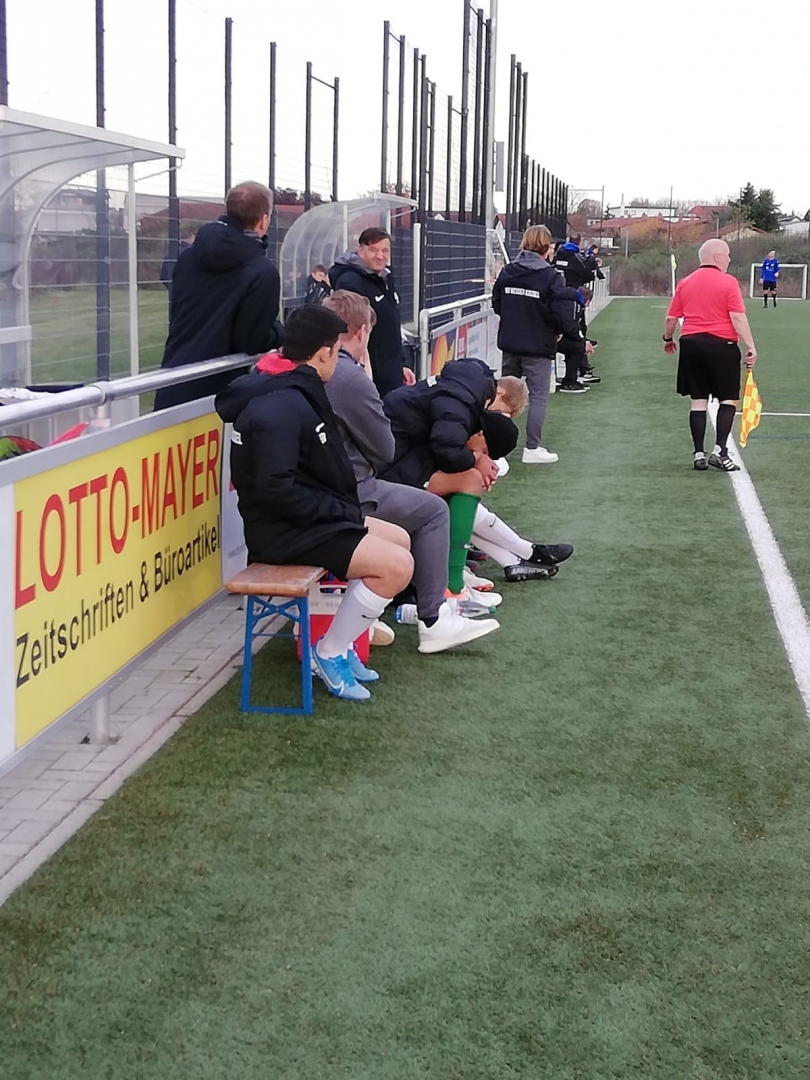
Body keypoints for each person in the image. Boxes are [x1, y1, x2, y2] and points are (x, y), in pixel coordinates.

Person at [215, 306, 414, 703]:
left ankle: (343, 642)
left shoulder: (292, 388)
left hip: (307, 521)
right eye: (337, 351)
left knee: (400, 539)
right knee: (397, 567)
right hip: (285, 534)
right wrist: (337, 511)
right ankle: (328, 651)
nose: (339, 360)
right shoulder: (279, 404)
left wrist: (339, 509)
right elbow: (275, 490)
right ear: (323, 353)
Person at [320, 289, 500, 652]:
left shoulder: (297, 368)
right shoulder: (347, 376)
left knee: (402, 534)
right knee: (432, 512)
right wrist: (365, 376)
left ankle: (379, 616)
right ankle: (434, 617)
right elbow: (383, 448)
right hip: (344, 491)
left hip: (316, 491)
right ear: (360, 332)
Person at [381, 358, 517, 598]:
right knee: (470, 479)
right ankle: (451, 585)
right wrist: (476, 458)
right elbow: (446, 449)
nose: (484, 455)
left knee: (464, 479)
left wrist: (476, 457)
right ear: (481, 433)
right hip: (384, 470)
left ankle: (455, 573)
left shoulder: (465, 391)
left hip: (395, 457)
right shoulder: (460, 402)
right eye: (486, 450)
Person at [154, 182, 282, 412]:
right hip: (219, 395)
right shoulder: (262, 272)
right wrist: (280, 332)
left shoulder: (188, 258)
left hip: (173, 380)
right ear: (263, 220)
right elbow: (251, 340)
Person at [663, 238, 757, 472]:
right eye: (727, 255)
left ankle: (698, 454)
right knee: (728, 398)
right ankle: (719, 452)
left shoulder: (685, 282)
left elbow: (671, 318)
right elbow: (737, 316)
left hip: (691, 344)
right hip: (722, 345)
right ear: (717, 257)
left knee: (698, 400)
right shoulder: (728, 282)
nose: (729, 259)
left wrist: (667, 339)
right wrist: (750, 345)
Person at [491, 224, 568, 463]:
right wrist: (557, 331)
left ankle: (495, 451)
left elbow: (497, 303)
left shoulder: (508, 271)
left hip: (510, 343)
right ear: (546, 247)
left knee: (503, 395)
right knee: (538, 397)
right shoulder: (551, 277)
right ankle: (532, 448)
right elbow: (559, 312)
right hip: (538, 346)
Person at [329, 227, 415, 399]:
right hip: (371, 380)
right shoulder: (350, 283)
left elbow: (391, 326)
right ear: (360, 251)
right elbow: (348, 334)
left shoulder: (385, 277)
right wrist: (362, 373)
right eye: (373, 250)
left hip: (391, 375)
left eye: (385, 251)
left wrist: (402, 364)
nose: (380, 256)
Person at [159, 227, 196, 300]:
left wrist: (171, 287)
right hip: (189, 291)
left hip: (174, 291)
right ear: (191, 238)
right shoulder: (192, 253)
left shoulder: (170, 252)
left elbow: (163, 274)